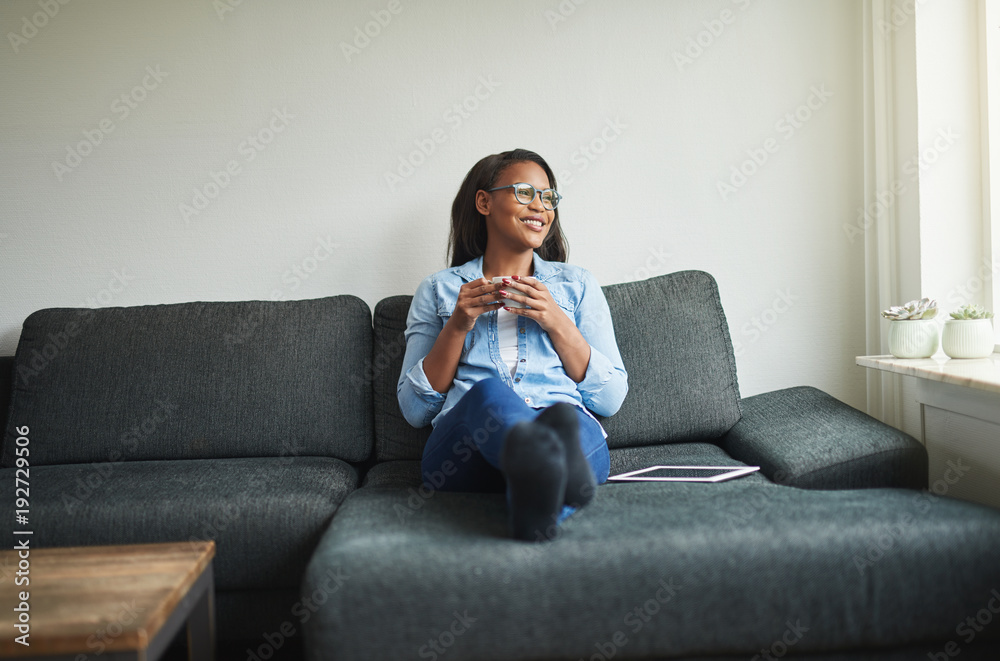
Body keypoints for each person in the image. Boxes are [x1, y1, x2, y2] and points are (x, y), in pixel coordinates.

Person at [396, 148, 628, 542]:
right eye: (524, 192)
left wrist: (556, 319)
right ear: (484, 201)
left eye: (549, 197)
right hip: (466, 451)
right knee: (492, 394)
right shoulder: (439, 289)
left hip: (562, 425)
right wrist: (457, 325)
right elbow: (415, 410)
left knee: (568, 419)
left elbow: (610, 399)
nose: (541, 206)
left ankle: (535, 505)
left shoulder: (577, 285)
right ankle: (545, 467)